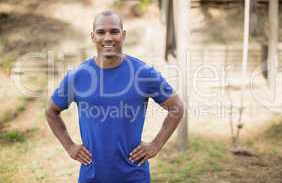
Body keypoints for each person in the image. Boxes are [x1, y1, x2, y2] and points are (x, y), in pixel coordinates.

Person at [45, 10, 184, 183]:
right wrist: (70, 147)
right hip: (91, 176)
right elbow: (51, 111)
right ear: (93, 36)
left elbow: (176, 106)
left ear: (123, 35)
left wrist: (156, 144)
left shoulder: (143, 73)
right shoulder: (78, 76)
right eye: (101, 32)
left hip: (134, 175)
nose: (108, 38)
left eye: (114, 31)